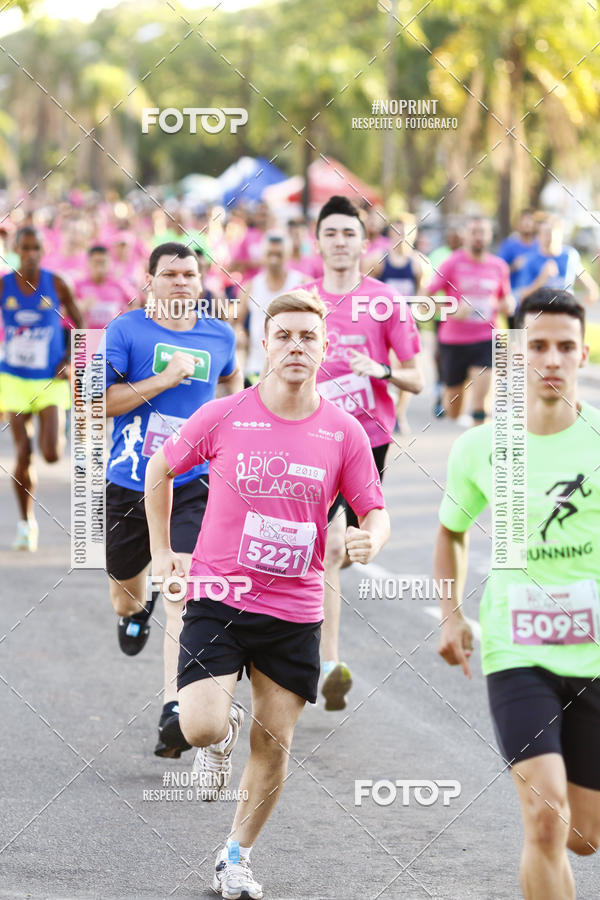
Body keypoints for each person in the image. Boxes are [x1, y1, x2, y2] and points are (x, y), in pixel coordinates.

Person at [145, 288, 390, 900]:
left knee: (275, 743)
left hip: (293, 610)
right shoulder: (226, 415)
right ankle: (218, 740)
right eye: (283, 335)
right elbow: (159, 470)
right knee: (198, 726)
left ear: (325, 347)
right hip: (218, 597)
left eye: (308, 335)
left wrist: (369, 540)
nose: (296, 346)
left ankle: (236, 855)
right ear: (264, 345)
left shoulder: (343, 432)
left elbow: (374, 510)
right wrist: (159, 551)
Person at [435, 288, 600, 900]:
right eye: (538, 346)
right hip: (517, 650)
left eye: (564, 346)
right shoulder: (480, 447)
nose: (551, 359)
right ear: (516, 355)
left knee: (582, 834)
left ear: (583, 352)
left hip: (593, 656)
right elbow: (450, 532)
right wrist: (451, 616)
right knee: (544, 816)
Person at [104, 241, 242, 758]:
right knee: (126, 594)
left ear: (201, 281)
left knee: (183, 586)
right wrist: (164, 379)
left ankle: (174, 708)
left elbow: (233, 388)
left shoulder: (220, 335)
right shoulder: (126, 330)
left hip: (192, 481)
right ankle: (135, 610)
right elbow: (100, 401)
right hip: (130, 480)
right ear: (151, 282)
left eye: (189, 273)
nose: (181, 281)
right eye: (170, 274)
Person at [301, 195, 422, 710]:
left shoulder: (386, 302)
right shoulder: (302, 300)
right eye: (331, 233)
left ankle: (324, 579)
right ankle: (327, 665)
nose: (340, 242)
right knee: (329, 546)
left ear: (363, 242)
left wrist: (382, 372)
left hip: (368, 442)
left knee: (345, 546)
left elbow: (419, 378)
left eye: (349, 233)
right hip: (312, 438)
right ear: (319, 241)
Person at [0, 225, 83, 551]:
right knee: (23, 452)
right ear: (17, 250)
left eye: (36, 249)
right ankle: (26, 523)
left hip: (49, 380)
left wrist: (71, 360)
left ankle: (56, 425)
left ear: (43, 252)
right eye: (26, 248)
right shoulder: (5, 284)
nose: (31, 254)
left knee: (50, 454)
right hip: (13, 379)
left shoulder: (57, 284)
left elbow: (81, 324)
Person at [426, 216, 514, 424]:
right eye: (474, 232)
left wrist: (508, 304)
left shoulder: (499, 267)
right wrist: (451, 309)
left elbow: (504, 298)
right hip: (454, 341)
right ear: (465, 235)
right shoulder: (451, 263)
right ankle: (447, 395)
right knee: (453, 410)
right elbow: (424, 299)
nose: (478, 237)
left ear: (490, 236)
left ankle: (478, 450)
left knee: (480, 400)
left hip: (486, 338)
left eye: (482, 232)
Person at [371, 213, 425, 434]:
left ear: (413, 235)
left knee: (407, 370)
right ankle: (385, 411)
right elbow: (369, 290)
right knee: (387, 368)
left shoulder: (418, 264)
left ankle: (400, 414)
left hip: (406, 324)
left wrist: (416, 313)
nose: (401, 236)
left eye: (406, 232)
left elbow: (422, 295)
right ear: (390, 234)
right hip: (382, 324)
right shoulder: (379, 260)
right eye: (397, 231)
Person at [238, 232, 303, 384]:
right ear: (262, 255)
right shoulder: (250, 286)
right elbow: (235, 320)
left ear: (288, 255)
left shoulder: (302, 283)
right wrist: (239, 333)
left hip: (291, 366)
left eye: (279, 254)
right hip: (256, 367)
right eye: (270, 254)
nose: (274, 259)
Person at [517, 215, 598, 306]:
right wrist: (541, 279)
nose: (550, 236)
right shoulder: (530, 260)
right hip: (541, 310)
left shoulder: (570, 255)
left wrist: (591, 290)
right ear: (538, 236)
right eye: (546, 233)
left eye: (553, 232)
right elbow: (523, 295)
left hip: (566, 309)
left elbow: (583, 278)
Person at [75, 245, 132, 329]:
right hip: (85, 335)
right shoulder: (78, 286)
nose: (99, 266)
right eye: (96, 262)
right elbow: (63, 312)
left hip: (112, 335)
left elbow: (135, 304)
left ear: (109, 263)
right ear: (88, 263)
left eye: (103, 262)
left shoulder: (119, 285)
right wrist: (79, 307)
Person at [497, 209, 539, 296]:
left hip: (536, 295)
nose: (527, 223)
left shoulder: (540, 246)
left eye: (530, 220)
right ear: (518, 224)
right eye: (524, 220)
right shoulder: (508, 245)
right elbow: (497, 271)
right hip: (514, 293)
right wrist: (514, 266)